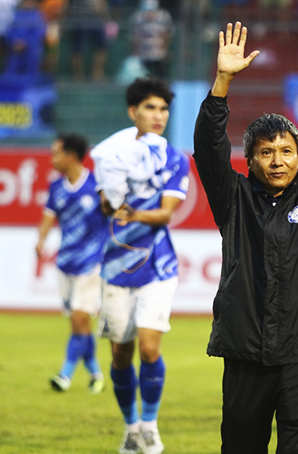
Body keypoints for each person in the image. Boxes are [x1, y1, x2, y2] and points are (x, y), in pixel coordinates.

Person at [193, 22, 298, 453]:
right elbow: (208, 145)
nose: (277, 161)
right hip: (245, 352)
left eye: (286, 151)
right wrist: (223, 82)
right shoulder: (231, 198)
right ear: (249, 160)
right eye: (266, 152)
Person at [91, 76, 189, 454]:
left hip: (158, 265)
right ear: (133, 112)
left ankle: (149, 424)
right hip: (117, 266)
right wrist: (110, 198)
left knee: (149, 347)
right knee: (120, 353)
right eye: (150, 107)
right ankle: (130, 427)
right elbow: (105, 205)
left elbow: (166, 214)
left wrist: (129, 212)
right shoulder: (112, 155)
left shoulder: (175, 159)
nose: (158, 115)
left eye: (164, 108)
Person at [35, 133, 108, 394]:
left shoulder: (97, 183)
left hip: (92, 264)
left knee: (80, 317)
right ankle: (96, 374)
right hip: (65, 262)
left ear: (72, 156)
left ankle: (65, 375)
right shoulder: (57, 187)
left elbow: (112, 214)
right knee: (79, 324)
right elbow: (48, 216)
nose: (53, 158)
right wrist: (41, 240)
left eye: (57, 152)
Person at [130, 0, 173, 79]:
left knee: (161, 76)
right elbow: (135, 37)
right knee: (143, 78)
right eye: (147, 12)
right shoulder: (138, 17)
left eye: (152, 11)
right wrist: (135, 52)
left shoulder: (163, 17)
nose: (149, 14)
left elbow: (167, 35)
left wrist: (165, 49)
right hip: (143, 55)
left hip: (159, 54)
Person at [4, 0, 46, 75]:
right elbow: (9, 31)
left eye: (30, 2)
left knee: (32, 68)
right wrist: (14, 42)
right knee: (12, 71)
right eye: (26, 1)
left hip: (31, 50)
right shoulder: (16, 15)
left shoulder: (38, 16)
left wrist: (25, 43)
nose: (28, 3)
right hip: (15, 49)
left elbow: (39, 34)